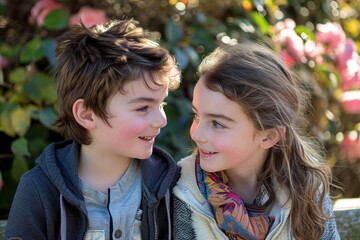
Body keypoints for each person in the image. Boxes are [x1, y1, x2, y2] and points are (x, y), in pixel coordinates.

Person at [5, 18, 181, 240]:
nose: (161, 120)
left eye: (161, 104)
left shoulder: (169, 185)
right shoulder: (40, 190)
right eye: (143, 107)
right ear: (87, 114)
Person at [172, 42, 340, 240]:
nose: (197, 134)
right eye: (196, 115)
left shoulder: (308, 192)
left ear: (268, 136)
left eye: (217, 123)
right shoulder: (183, 193)